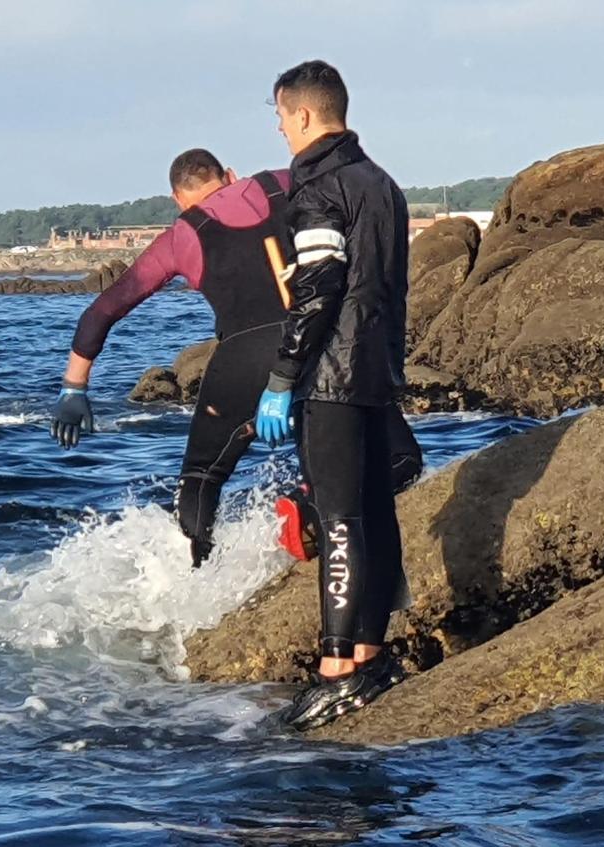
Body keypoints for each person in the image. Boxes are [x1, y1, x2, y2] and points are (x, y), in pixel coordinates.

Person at [51, 149, 422, 568]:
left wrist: (73, 387)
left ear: (177, 199)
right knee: (401, 459)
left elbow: (104, 310)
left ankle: (192, 575)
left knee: (202, 477)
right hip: (324, 342)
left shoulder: (181, 235)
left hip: (244, 360)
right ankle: (309, 507)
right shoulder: (284, 183)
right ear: (229, 175)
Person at [256, 60, 412, 731]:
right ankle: (372, 653)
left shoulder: (319, 189)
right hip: (378, 371)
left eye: (281, 119)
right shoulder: (383, 184)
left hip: (333, 377)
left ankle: (337, 668)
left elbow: (317, 289)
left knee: (339, 515)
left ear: (305, 116)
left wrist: (282, 380)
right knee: (377, 512)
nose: (282, 132)